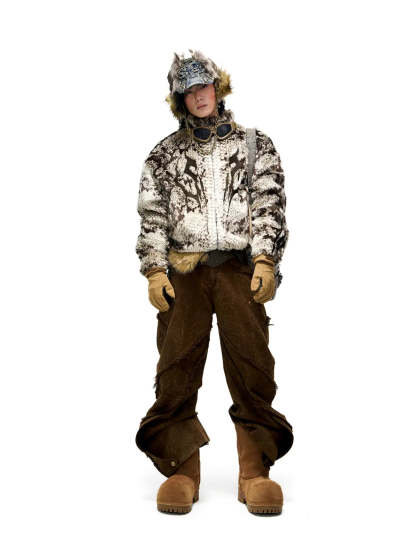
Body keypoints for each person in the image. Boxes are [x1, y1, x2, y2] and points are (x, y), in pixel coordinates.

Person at [135, 49, 294, 515]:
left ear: (217, 88)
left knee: (252, 364)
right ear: (179, 100)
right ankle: (182, 470)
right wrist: (155, 270)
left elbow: (269, 202)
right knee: (176, 366)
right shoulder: (164, 155)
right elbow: (152, 216)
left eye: (204, 86)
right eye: (188, 91)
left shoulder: (255, 145)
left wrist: (265, 260)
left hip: (239, 271)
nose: (198, 96)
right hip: (183, 276)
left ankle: (254, 472)